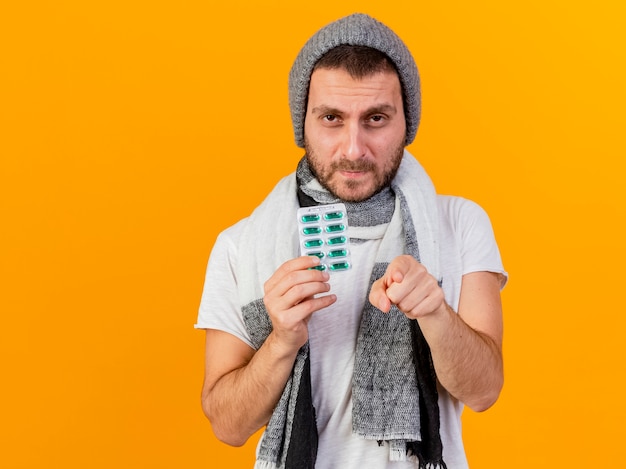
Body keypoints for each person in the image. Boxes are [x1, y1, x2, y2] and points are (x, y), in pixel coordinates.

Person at [195, 12, 507, 469]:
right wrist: (281, 339)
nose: (354, 148)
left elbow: (484, 391)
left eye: (376, 118)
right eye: (332, 118)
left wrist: (435, 312)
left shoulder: (457, 225)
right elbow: (228, 426)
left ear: (407, 124)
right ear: (303, 123)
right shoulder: (242, 246)